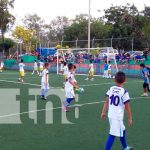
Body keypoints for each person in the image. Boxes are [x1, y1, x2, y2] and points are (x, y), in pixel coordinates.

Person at [101, 71, 133, 150]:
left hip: (111, 115)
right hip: (117, 117)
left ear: (114, 80)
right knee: (112, 135)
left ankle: (125, 147)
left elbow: (106, 101)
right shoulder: (124, 92)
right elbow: (127, 107)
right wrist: (130, 118)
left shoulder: (111, 88)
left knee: (123, 130)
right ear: (125, 80)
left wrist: (103, 112)